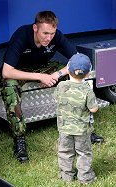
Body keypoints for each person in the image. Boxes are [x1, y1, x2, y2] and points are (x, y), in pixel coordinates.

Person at [0, 10, 103, 163]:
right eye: (45, 33)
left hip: (44, 67)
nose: (49, 38)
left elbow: (78, 60)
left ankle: (84, 130)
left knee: (76, 73)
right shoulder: (22, 35)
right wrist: (40, 77)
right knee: (9, 85)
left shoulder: (57, 36)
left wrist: (56, 75)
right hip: (21, 70)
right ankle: (19, 139)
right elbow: (7, 71)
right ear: (35, 28)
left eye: (52, 34)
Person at [53, 53, 98, 184]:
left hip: (64, 128)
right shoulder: (87, 91)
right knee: (84, 153)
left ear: (68, 68)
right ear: (88, 73)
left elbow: (56, 98)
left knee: (65, 151)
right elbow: (93, 109)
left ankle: (66, 176)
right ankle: (85, 177)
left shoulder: (61, 86)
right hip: (81, 130)